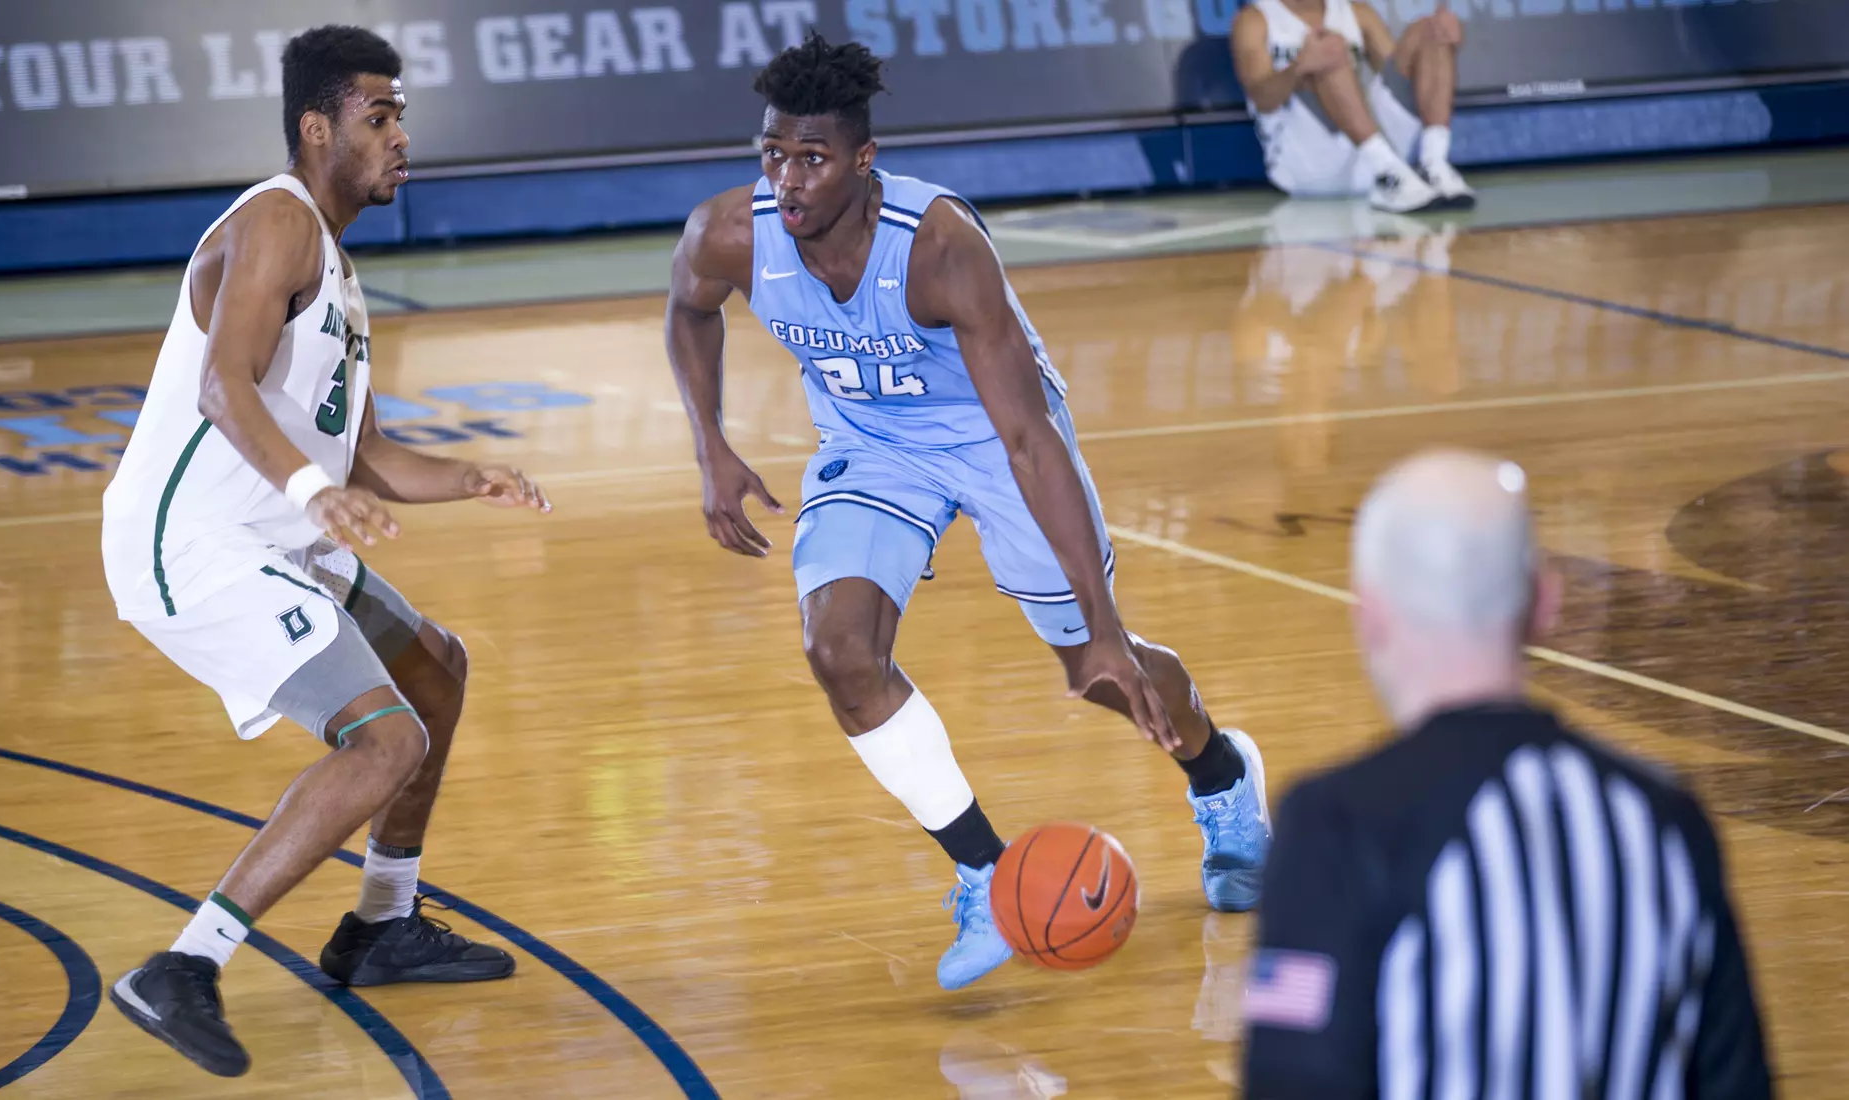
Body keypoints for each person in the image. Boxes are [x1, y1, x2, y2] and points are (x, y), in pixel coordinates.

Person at [663, 34, 1272, 993]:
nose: (786, 178)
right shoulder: (730, 233)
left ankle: (1224, 780)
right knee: (840, 651)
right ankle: (986, 876)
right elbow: (689, 308)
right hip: (873, 442)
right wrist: (712, 444)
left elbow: (1029, 438)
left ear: (865, 162)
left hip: (994, 434)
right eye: (772, 153)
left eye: (812, 158)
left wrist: (1106, 629)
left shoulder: (941, 248)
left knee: (1096, 673)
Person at [98, 25, 549, 1077]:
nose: (400, 138)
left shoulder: (338, 270)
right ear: (318, 127)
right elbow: (224, 386)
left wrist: (470, 473)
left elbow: (372, 451)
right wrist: (315, 491)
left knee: (435, 671)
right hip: (193, 542)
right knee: (383, 740)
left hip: (278, 536)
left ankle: (382, 923)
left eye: (401, 118)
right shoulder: (275, 220)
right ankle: (184, 964)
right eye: (378, 118)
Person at [1240, 449, 1772, 1098]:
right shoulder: (1666, 817)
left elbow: (1291, 1082)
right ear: (1545, 602)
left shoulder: (1335, 823)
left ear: (1369, 613)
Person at [1230, 0, 1474, 213]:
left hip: (1371, 159)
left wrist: (1440, 52)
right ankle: (1386, 170)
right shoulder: (1254, 19)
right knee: (1330, 49)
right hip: (1309, 166)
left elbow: (1400, 83)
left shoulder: (1358, 13)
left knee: (1432, 30)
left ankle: (1434, 165)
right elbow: (1262, 99)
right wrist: (1300, 66)